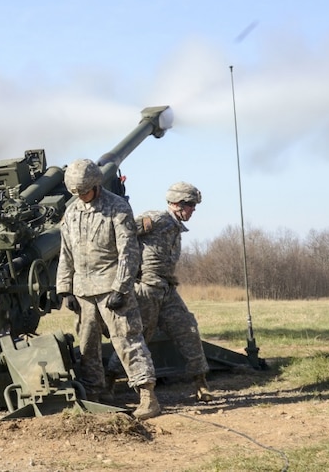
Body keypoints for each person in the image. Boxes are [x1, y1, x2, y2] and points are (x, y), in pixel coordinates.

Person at [56, 159, 160, 420]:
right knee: (88, 345)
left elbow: (129, 251)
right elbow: (66, 252)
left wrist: (122, 287)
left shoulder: (117, 207)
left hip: (112, 286)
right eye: (76, 193)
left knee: (128, 340)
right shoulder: (72, 212)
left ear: (96, 185)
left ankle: (148, 397)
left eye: (84, 191)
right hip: (84, 290)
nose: (81, 197)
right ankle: (96, 393)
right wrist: (65, 289)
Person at [123, 182, 213, 401]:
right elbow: (122, 233)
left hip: (167, 290)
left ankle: (201, 384)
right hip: (147, 290)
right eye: (190, 205)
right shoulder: (156, 219)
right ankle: (111, 381)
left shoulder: (175, 229)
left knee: (188, 329)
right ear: (177, 203)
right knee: (138, 337)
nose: (193, 209)